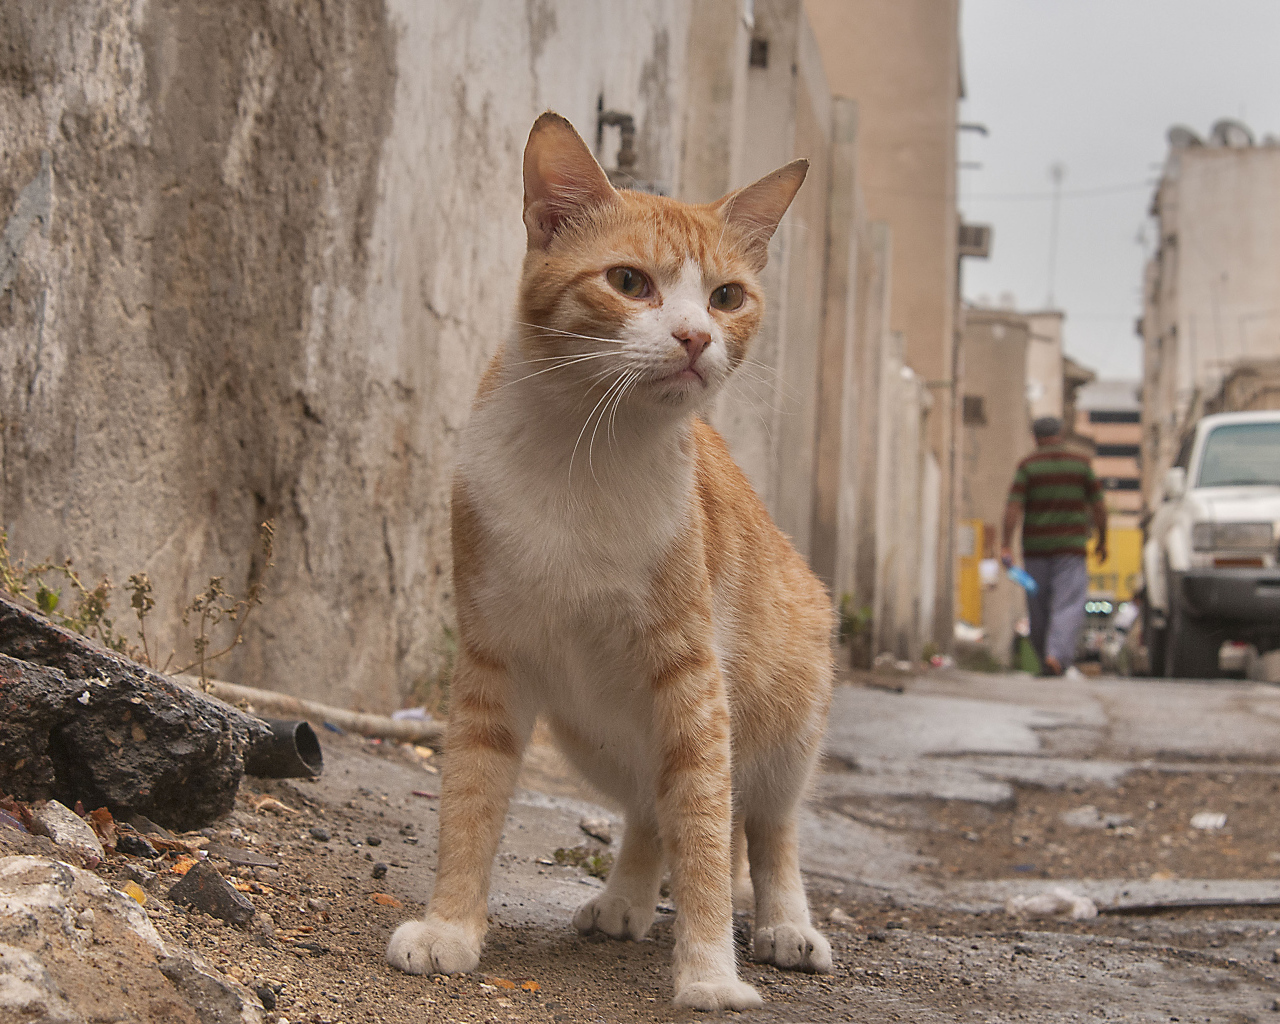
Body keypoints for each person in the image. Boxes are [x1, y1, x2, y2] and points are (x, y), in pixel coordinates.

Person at [1000, 416, 1108, 676]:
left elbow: (1013, 506)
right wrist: (1103, 539)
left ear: (1035, 437)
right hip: (1071, 549)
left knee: (1038, 607)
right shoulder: (1081, 465)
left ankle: (1048, 658)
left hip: (1036, 549)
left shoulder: (1028, 466)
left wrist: (1006, 544)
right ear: (1061, 433)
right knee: (1068, 604)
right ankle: (1055, 656)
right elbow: (1098, 506)